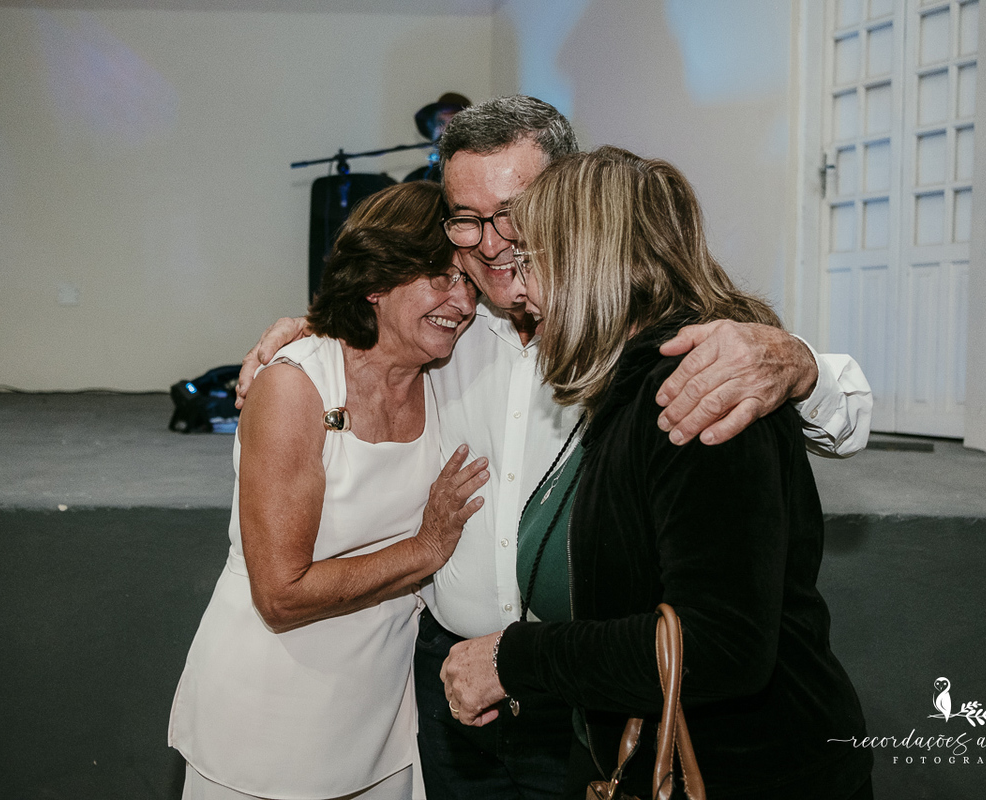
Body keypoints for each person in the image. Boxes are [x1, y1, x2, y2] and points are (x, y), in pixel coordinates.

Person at [236, 96, 872, 800]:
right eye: (467, 219)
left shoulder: (698, 367)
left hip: (613, 693)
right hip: (471, 685)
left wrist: (799, 363)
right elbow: (358, 340)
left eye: (515, 214)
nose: (493, 243)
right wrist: (305, 336)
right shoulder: (444, 324)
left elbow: (724, 630)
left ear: (577, 207)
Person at [441, 146, 873, 799]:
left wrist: (515, 659)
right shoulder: (637, 384)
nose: (521, 290)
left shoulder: (693, 388)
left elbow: (719, 646)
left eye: (532, 261)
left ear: (590, 262)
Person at [169, 181, 489, 800]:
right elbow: (281, 595)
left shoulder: (449, 373)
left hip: (384, 715)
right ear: (377, 280)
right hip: (269, 711)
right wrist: (426, 549)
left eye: (471, 282)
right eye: (442, 278)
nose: (464, 303)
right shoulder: (296, 386)